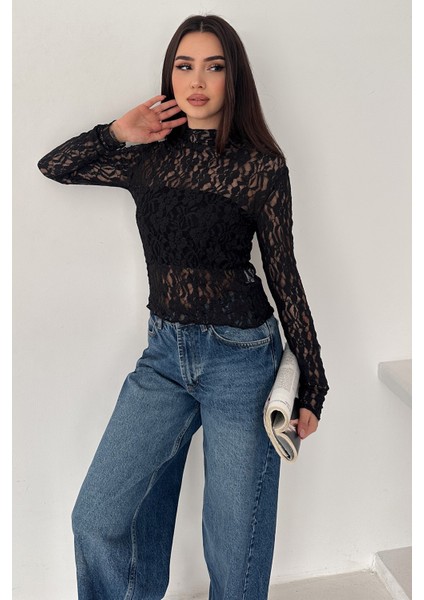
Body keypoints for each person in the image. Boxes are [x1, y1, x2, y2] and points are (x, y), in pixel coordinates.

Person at [38, 14, 329, 600]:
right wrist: (117, 132)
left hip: (242, 361)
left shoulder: (260, 166)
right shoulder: (146, 157)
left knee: (234, 552)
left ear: (233, 78)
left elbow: (283, 272)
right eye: (184, 66)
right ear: (170, 75)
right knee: (96, 518)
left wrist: (313, 382)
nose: (197, 81)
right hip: (164, 358)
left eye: (213, 67)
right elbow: (55, 166)